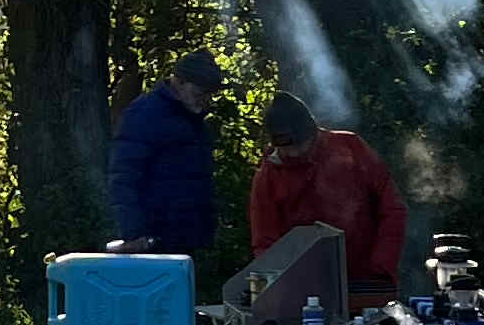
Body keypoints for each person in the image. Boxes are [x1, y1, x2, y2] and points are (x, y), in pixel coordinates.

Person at [248, 93, 408, 300]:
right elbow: (265, 243)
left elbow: (393, 208)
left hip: (367, 281)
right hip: (304, 290)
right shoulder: (267, 178)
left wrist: (381, 265)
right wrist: (279, 288)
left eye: (299, 145)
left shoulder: (351, 148)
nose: (293, 153)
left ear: (312, 133)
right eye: (285, 148)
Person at [107, 50, 222, 269]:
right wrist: (134, 234)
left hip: (187, 240)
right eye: (200, 92)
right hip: (151, 242)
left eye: (209, 94)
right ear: (178, 82)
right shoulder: (144, 114)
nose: (205, 100)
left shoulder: (195, 121)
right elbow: (123, 177)